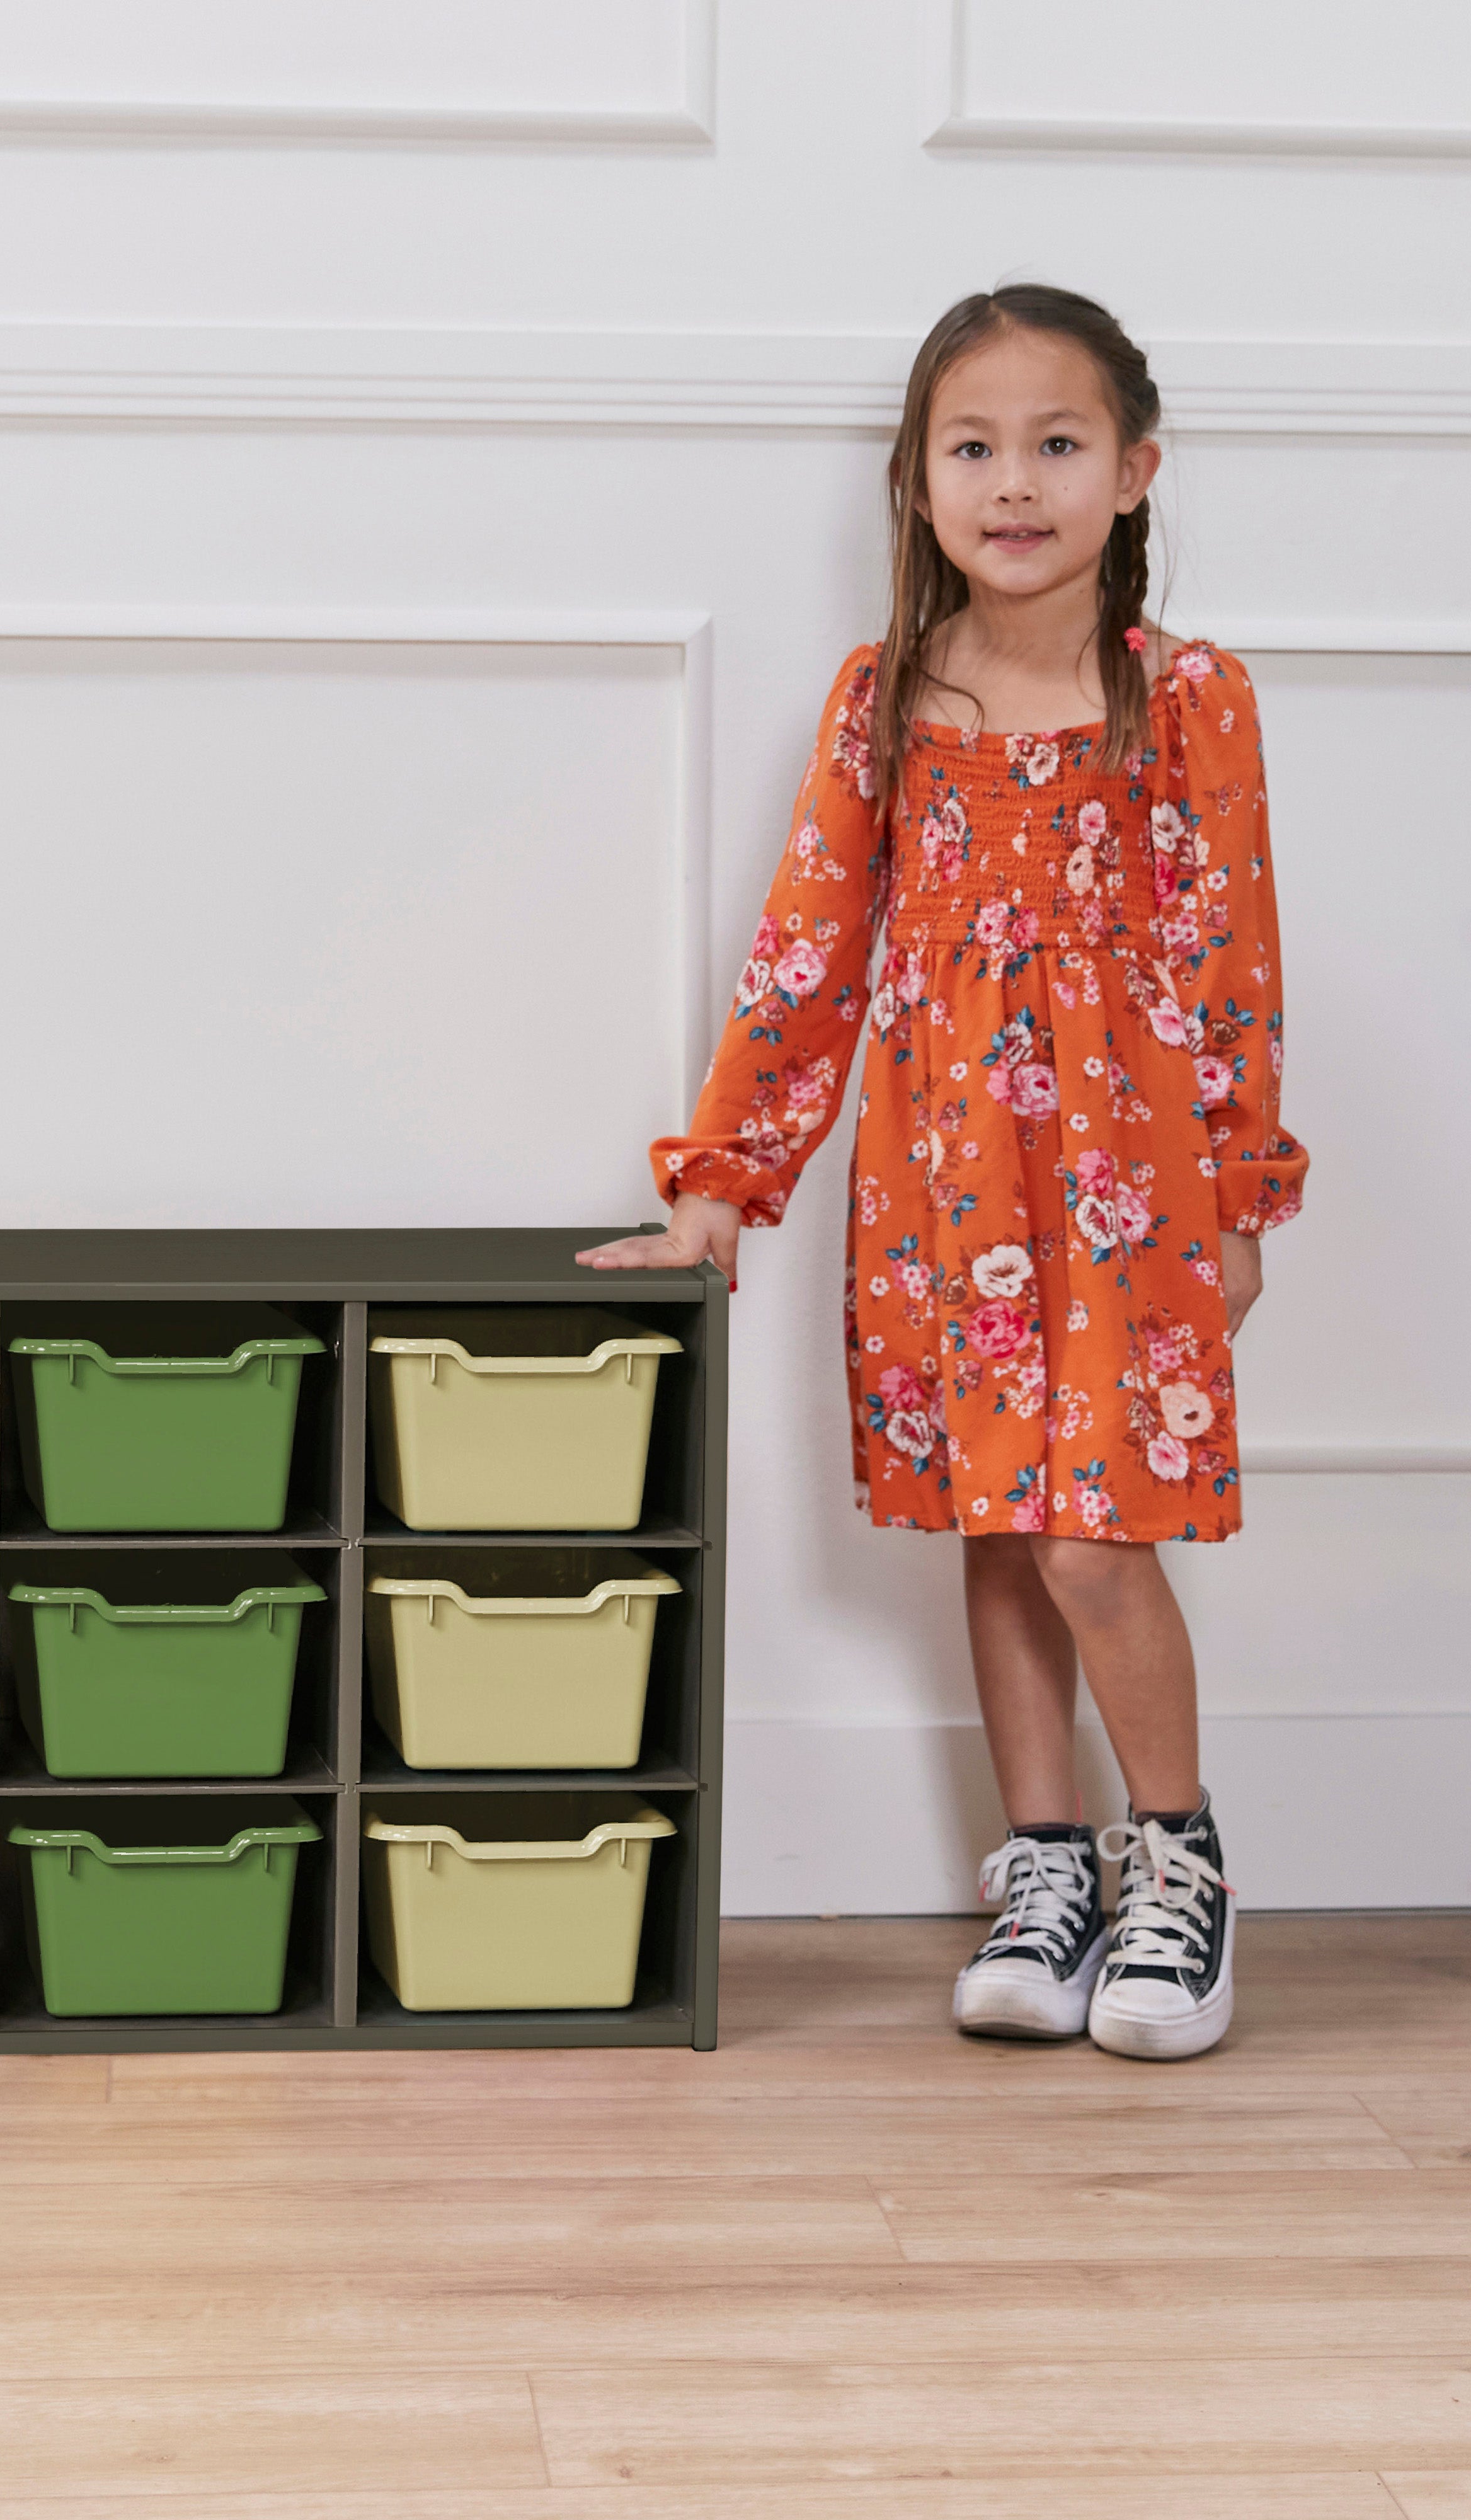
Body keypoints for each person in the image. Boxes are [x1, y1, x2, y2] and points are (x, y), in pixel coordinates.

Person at [580, 285, 1305, 2061]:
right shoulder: (885, 698)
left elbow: (1233, 963)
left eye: (1058, 444)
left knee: (1093, 1541)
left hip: (1132, 1198)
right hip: (945, 1189)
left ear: (1133, 473)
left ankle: (1180, 1868)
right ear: (916, 485)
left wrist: (1241, 1193)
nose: (1015, 481)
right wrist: (724, 1182)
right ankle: (1047, 1871)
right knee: (998, 1534)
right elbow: (809, 951)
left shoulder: (1187, 700)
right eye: (972, 447)